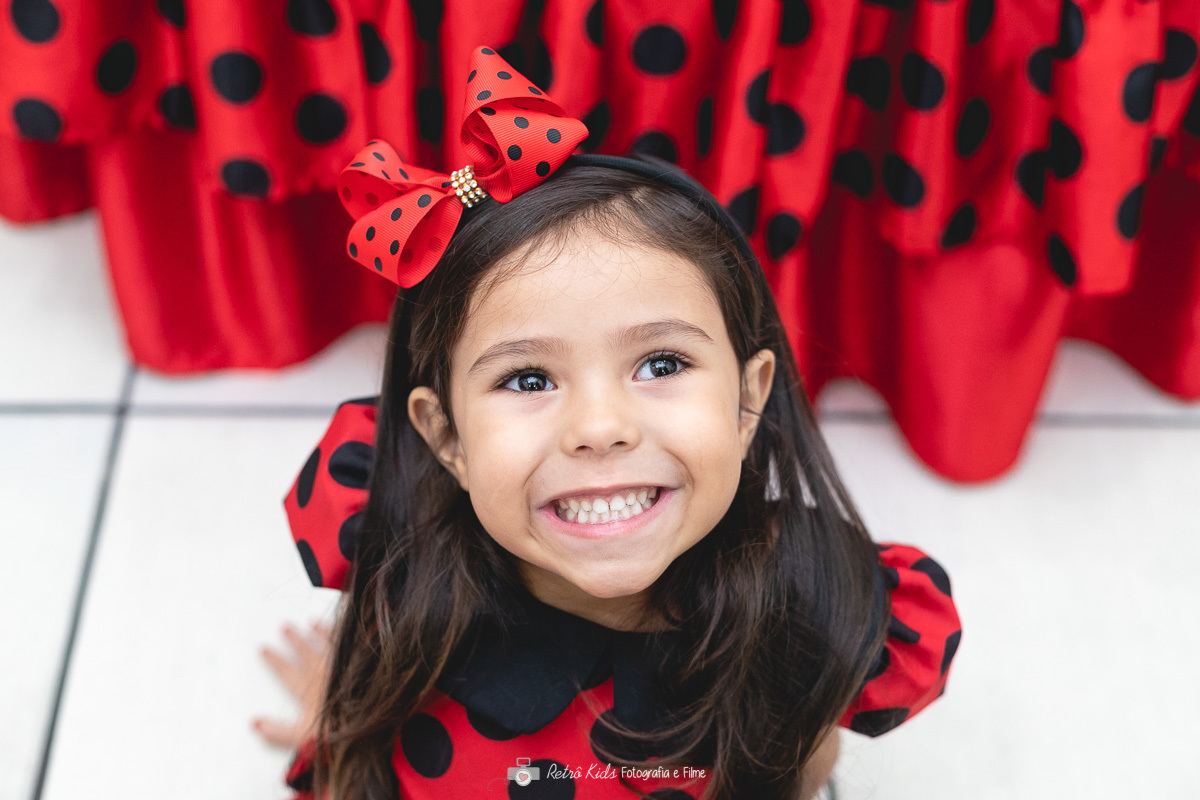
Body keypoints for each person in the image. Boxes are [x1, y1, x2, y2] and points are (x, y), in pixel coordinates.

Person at [256, 47, 962, 800]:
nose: (600, 427)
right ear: (447, 439)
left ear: (747, 399)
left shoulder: (813, 612)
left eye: (660, 364)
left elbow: (796, 774)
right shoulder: (396, 539)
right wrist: (342, 716)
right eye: (528, 378)